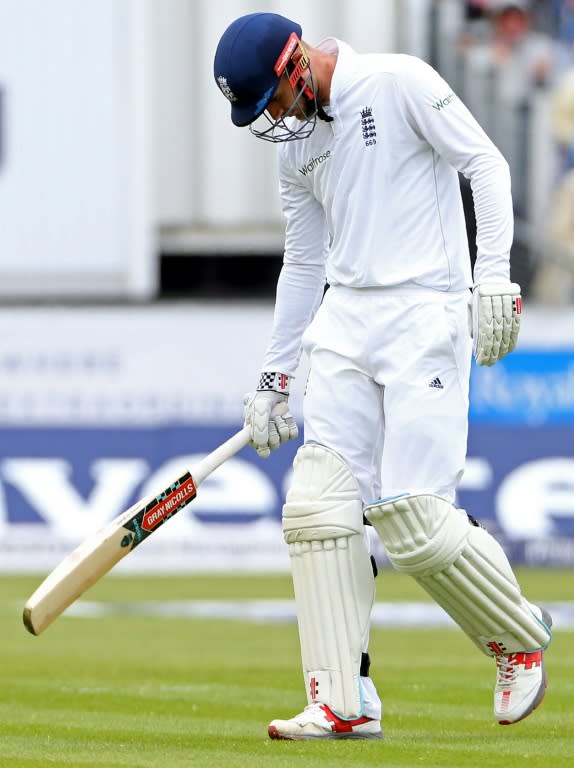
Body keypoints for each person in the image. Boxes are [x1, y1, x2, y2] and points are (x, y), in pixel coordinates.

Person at [213, 12, 552, 741]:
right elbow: (303, 262)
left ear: (295, 61)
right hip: (345, 323)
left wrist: (492, 277)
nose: (272, 118)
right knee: (316, 510)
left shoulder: (397, 81)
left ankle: (519, 637)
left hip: (425, 311)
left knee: (413, 523)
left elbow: (486, 165)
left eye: (270, 98)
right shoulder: (295, 146)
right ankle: (341, 701)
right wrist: (275, 374)